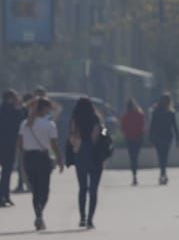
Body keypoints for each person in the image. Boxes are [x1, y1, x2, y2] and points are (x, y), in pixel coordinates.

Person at [19, 96, 63, 230]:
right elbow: (54, 145)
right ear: (44, 109)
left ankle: (38, 214)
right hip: (43, 158)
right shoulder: (49, 124)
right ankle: (39, 212)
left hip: (28, 158)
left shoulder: (24, 124)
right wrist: (60, 159)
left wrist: (23, 158)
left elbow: (20, 144)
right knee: (44, 190)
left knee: (35, 190)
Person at [66, 97, 107, 229]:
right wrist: (104, 132)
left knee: (82, 188)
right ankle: (90, 219)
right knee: (93, 190)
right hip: (95, 155)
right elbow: (102, 134)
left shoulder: (75, 119)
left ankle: (82, 217)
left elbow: (71, 137)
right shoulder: (96, 118)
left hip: (81, 155)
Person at [148, 92, 179, 185]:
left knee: (161, 157)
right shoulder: (171, 112)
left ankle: (162, 173)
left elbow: (152, 126)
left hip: (159, 138)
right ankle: (163, 173)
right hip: (167, 138)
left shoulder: (156, 111)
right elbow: (175, 127)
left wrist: (150, 137)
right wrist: (178, 139)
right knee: (164, 157)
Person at [0, 89, 22, 206]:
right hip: (8, 145)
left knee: (5, 172)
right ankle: (4, 196)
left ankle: (4, 195)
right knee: (6, 171)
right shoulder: (14, 111)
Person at [120, 98, 146, 186]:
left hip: (129, 138)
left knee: (132, 157)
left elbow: (123, 128)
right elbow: (142, 126)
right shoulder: (140, 115)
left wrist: (126, 133)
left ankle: (134, 175)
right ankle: (135, 174)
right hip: (138, 138)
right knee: (136, 156)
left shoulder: (125, 116)